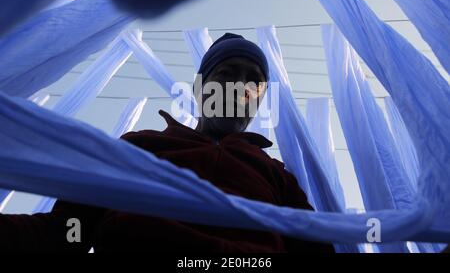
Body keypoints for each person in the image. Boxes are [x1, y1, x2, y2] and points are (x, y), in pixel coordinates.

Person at [0, 33, 334, 253]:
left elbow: (313, 249)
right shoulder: (137, 148)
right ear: (199, 88)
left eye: (254, 81)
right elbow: (65, 233)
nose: (240, 86)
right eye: (228, 71)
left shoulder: (276, 175)